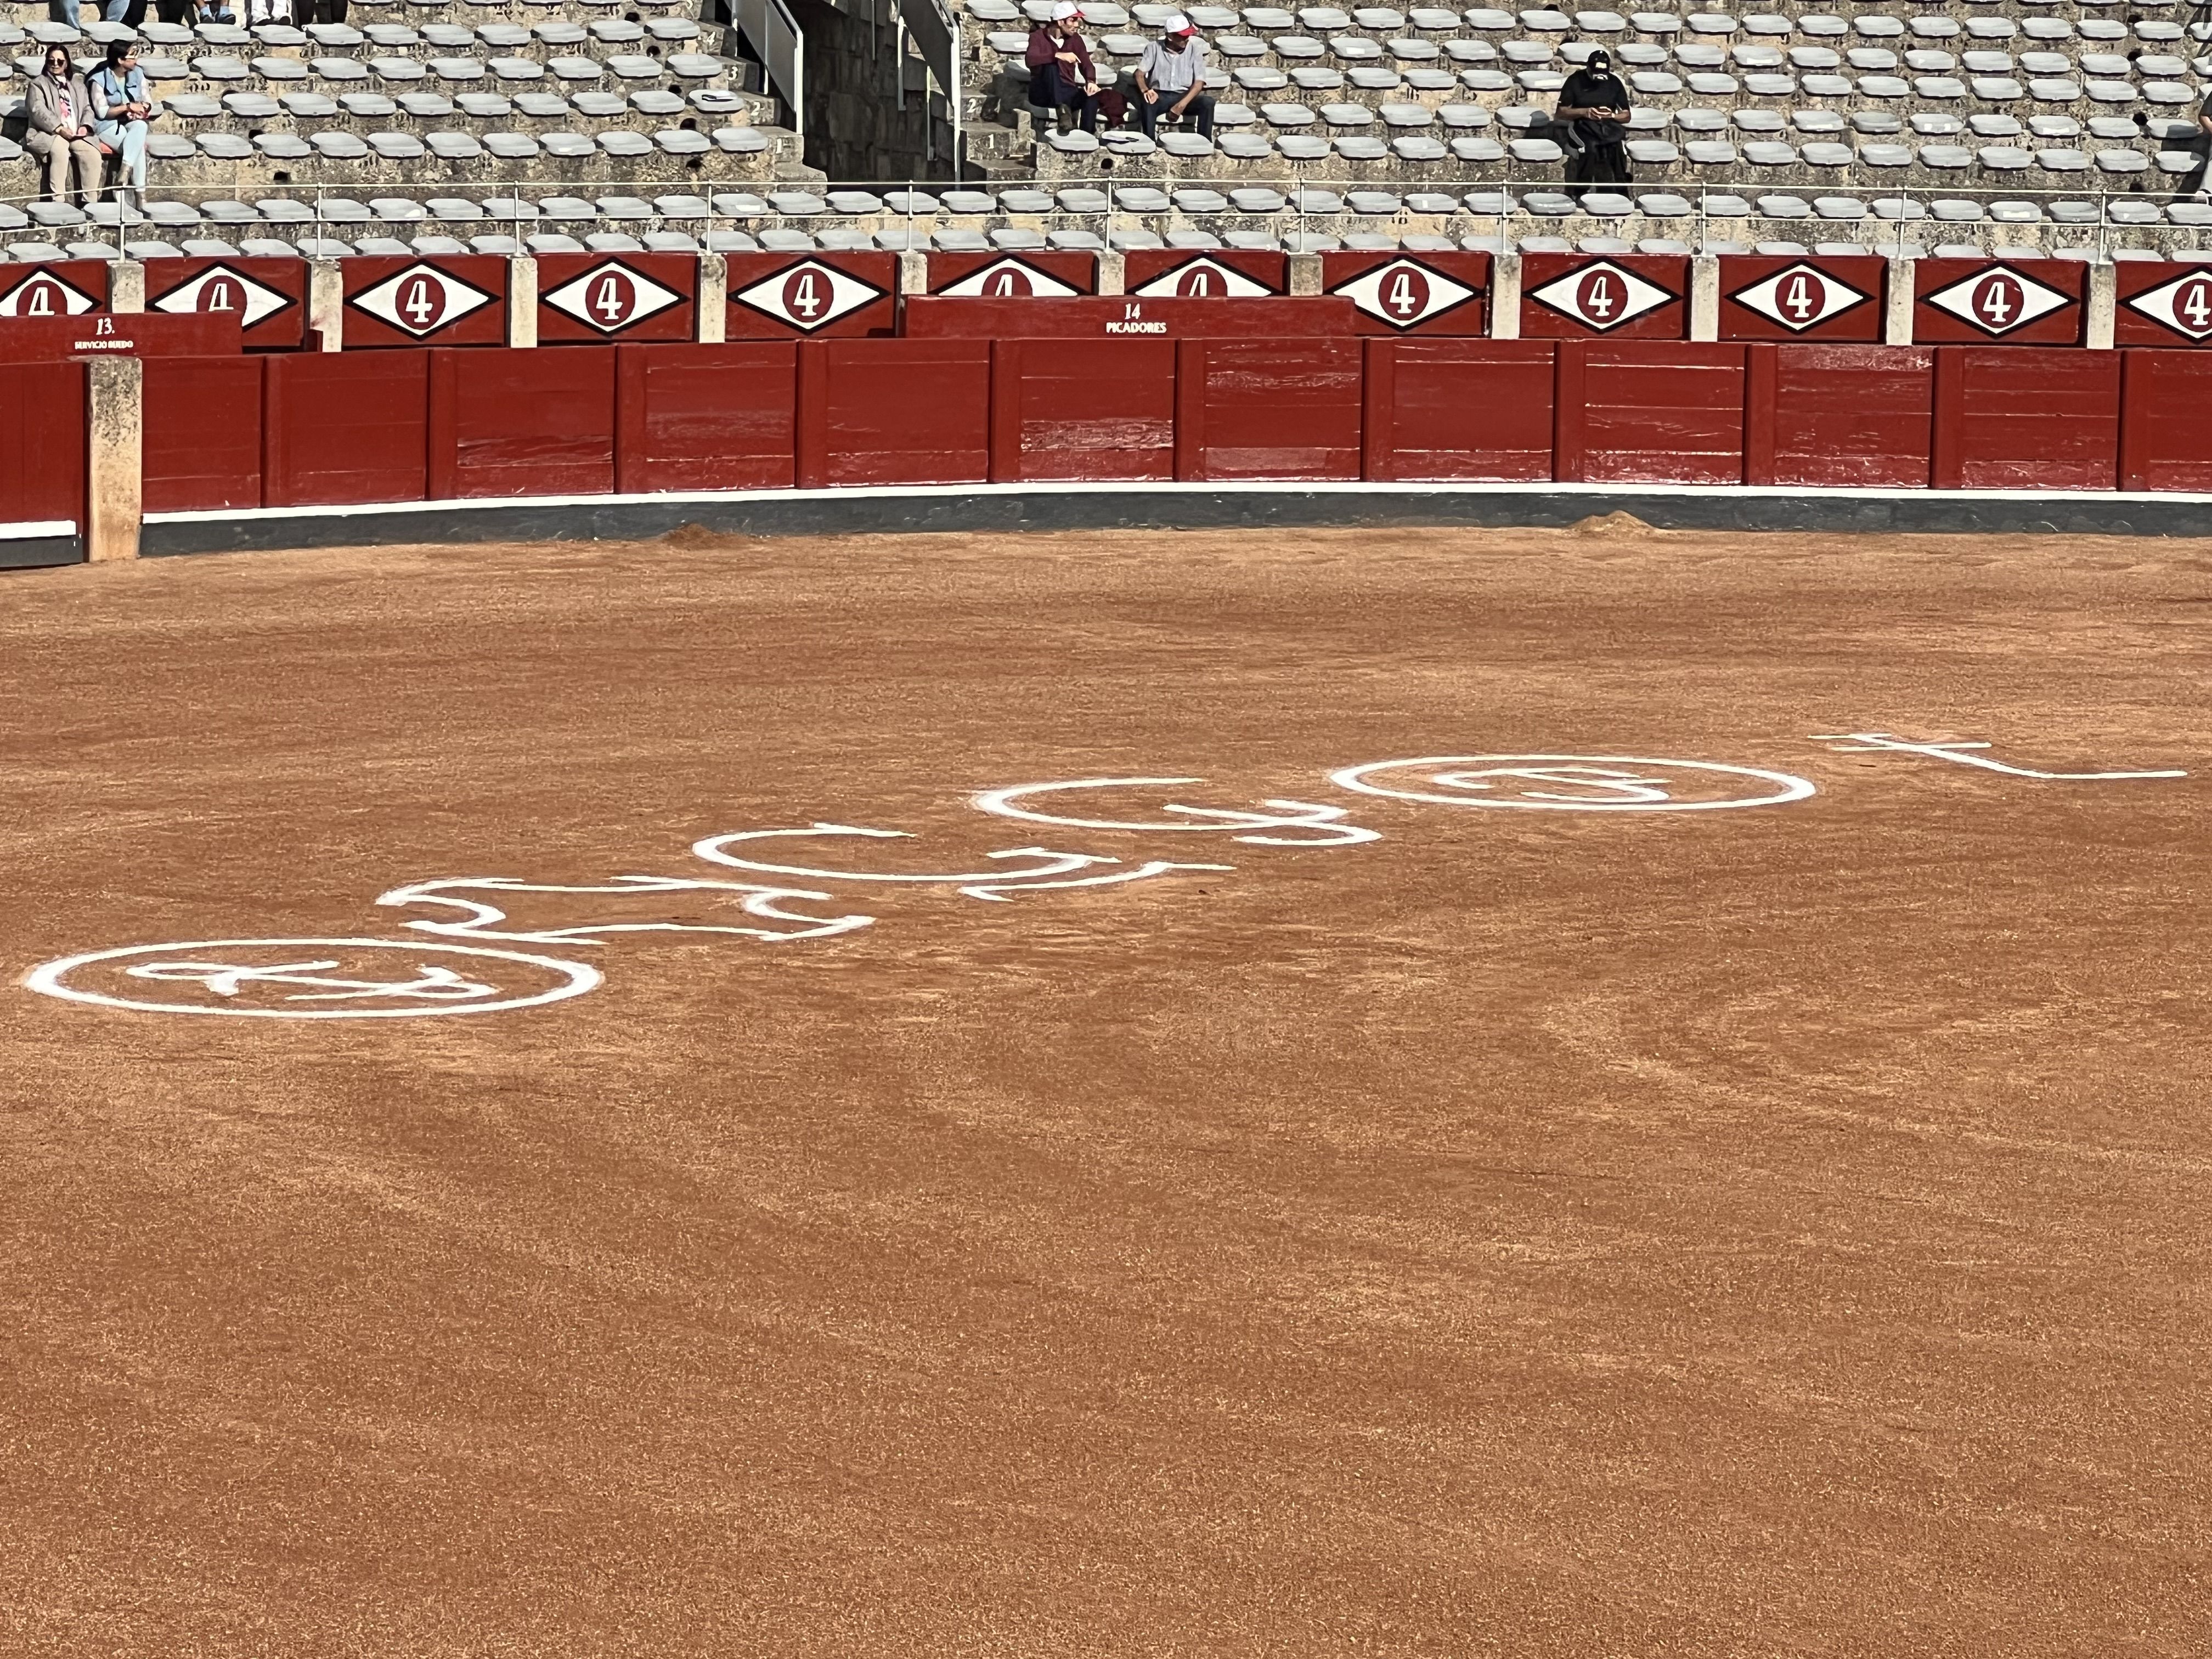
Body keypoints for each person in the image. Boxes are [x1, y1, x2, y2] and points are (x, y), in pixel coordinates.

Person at [25, 45, 102, 206]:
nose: (55, 64)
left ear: (67, 63)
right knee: (60, 147)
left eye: (60, 61)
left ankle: (91, 203)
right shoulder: (37, 84)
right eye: (51, 61)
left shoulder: (77, 84)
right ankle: (58, 201)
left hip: (74, 133)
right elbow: (38, 110)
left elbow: (88, 108)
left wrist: (85, 126)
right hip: (48, 133)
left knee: (92, 153)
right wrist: (59, 128)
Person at [1555, 47, 1632, 196]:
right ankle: (1580, 192)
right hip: (1582, 125)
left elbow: (1627, 115)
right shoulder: (1575, 80)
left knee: (1617, 148)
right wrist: (1585, 112)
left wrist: (1612, 116)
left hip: (1607, 125)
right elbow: (1560, 113)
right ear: (1589, 68)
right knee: (1589, 148)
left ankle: (1622, 192)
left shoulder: (1614, 82)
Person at [89, 38, 155, 210]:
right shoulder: (98, 80)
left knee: (141, 127)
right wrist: (126, 107)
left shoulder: (138, 74)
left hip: (132, 122)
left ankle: (124, 172)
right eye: (132, 57)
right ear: (120, 60)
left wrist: (142, 109)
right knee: (138, 147)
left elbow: (148, 101)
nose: (136, 60)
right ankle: (140, 195)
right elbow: (102, 112)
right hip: (107, 124)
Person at [1134, 12, 1212, 140]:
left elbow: (1199, 83)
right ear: (1170, 36)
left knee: (1208, 103)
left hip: (1184, 95)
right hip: (1161, 94)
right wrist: (1146, 90)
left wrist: (1180, 106)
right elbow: (1139, 74)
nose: (1186, 39)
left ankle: (1205, 141)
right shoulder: (1154, 48)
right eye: (1182, 36)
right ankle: (1149, 141)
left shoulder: (1194, 50)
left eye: (1188, 36)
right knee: (1148, 103)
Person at [1025, 1, 1098, 136]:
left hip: (1067, 90)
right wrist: (1058, 56)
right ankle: (1063, 113)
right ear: (1060, 22)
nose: (1077, 25)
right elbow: (1030, 59)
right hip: (1043, 93)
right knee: (1052, 67)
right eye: (1073, 20)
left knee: (1091, 97)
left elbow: (1086, 63)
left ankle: (1086, 135)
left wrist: (1091, 81)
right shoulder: (1038, 37)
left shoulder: (1075, 39)